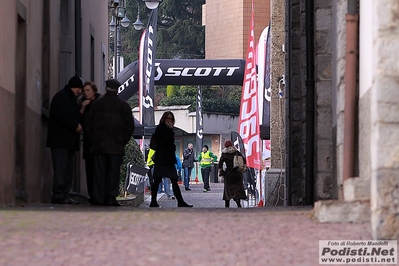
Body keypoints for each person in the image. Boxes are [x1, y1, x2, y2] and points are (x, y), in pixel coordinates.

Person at [85, 79, 134, 206]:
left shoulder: (97, 104)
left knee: (99, 173)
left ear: (106, 88)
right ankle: (110, 197)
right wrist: (122, 141)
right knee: (113, 173)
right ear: (117, 90)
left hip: (98, 147)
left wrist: (93, 140)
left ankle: (98, 197)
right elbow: (129, 127)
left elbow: (88, 124)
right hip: (115, 147)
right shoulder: (123, 106)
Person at [46, 75, 84, 204]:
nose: (81, 92)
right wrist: (75, 125)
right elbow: (62, 116)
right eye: (80, 89)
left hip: (66, 142)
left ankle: (63, 195)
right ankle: (58, 195)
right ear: (76, 88)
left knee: (66, 170)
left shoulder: (68, 98)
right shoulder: (63, 98)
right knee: (61, 170)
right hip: (61, 141)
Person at [150, 111, 192, 208]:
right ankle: (154, 201)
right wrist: (170, 130)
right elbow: (165, 142)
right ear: (164, 119)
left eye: (171, 119)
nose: (170, 121)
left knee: (172, 180)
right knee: (159, 180)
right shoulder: (162, 128)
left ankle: (180, 201)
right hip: (163, 159)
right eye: (168, 118)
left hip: (166, 159)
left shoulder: (165, 129)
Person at [78, 81, 101, 202]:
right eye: (84, 91)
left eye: (88, 90)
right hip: (88, 142)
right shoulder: (82, 103)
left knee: (98, 170)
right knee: (89, 170)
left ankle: (98, 195)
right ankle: (92, 195)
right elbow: (79, 121)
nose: (86, 93)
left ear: (93, 91)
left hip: (98, 143)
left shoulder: (100, 103)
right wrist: (82, 108)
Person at [218, 140, 247, 208]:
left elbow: (220, 164)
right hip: (237, 173)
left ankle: (227, 204)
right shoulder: (237, 152)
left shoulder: (224, 153)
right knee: (237, 189)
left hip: (228, 174)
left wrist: (221, 172)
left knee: (227, 189)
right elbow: (244, 160)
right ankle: (238, 202)